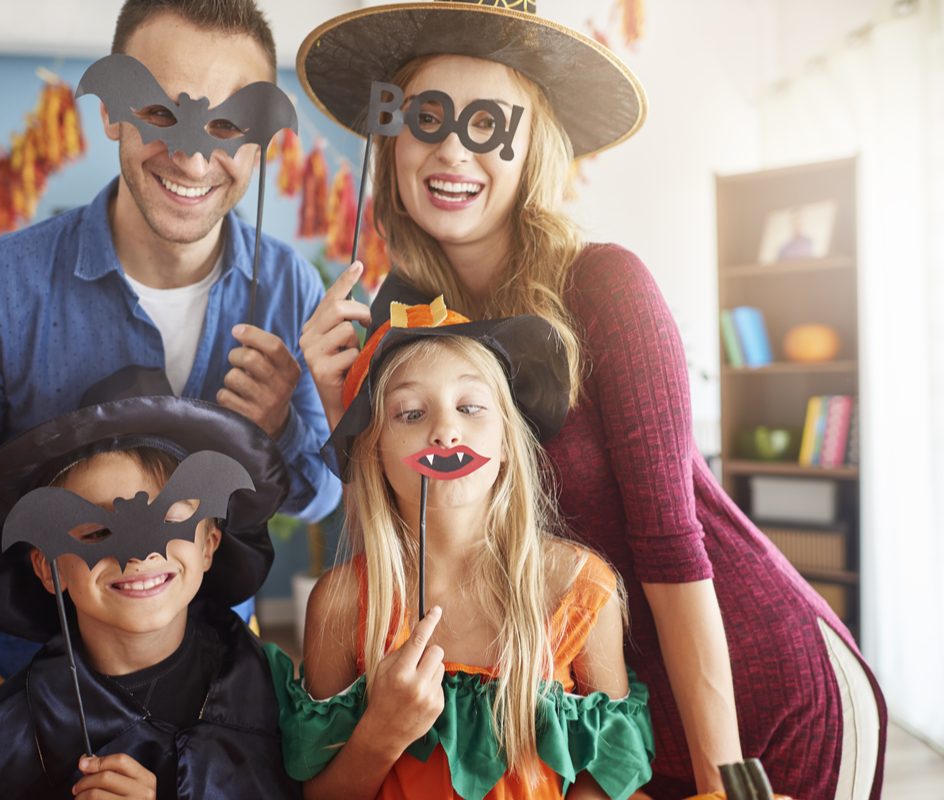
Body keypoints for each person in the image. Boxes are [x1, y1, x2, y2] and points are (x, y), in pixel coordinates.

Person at [295, 3, 887, 798]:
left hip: (750, 700)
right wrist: (345, 412)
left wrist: (725, 779)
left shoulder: (604, 286)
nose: (450, 150)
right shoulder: (403, 326)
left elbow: (672, 544)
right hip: (598, 724)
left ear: (531, 142)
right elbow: (413, 532)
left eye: (488, 125)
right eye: (426, 119)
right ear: (391, 139)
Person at [0, 0, 339, 691]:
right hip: (43, 685)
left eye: (228, 123)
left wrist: (281, 428)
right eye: (160, 113)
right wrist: (64, 536)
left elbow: (315, 498)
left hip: (224, 681)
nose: (194, 153)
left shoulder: (289, 285)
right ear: (113, 109)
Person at [268, 300, 653, 799]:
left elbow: (606, 777)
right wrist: (382, 731)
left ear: (509, 441)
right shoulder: (342, 604)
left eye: (470, 407)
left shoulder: (578, 591)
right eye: (410, 413)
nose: (446, 431)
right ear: (374, 451)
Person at [0, 367, 301, 799]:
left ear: (209, 545)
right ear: (47, 567)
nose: (141, 555)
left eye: (170, 521)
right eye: (96, 533)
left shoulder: (274, 698)